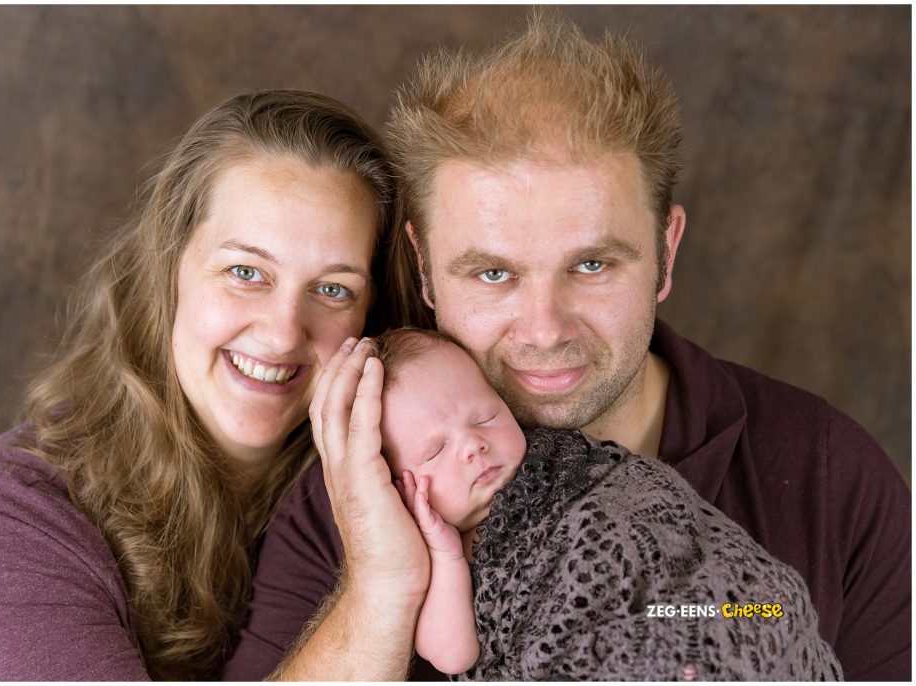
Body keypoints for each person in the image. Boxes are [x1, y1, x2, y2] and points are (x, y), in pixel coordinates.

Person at [228, 12, 911, 682]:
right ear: (425, 268)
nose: (545, 330)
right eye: (493, 273)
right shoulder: (359, 493)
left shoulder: (828, 471)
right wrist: (379, 590)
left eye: (592, 266)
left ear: (666, 253)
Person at [0, 90, 400, 680]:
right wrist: (381, 585)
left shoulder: (404, 473)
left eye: (333, 289)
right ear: (168, 268)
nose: (281, 334)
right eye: (245, 272)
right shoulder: (5, 521)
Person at [374, 327, 841, 680]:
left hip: (680, 607)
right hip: (573, 652)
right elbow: (454, 654)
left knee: (757, 611)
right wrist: (445, 552)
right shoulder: (436, 555)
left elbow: (654, 510)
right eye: (434, 450)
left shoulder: (569, 463)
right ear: (396, 486)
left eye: (485, 416)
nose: (472, 445)